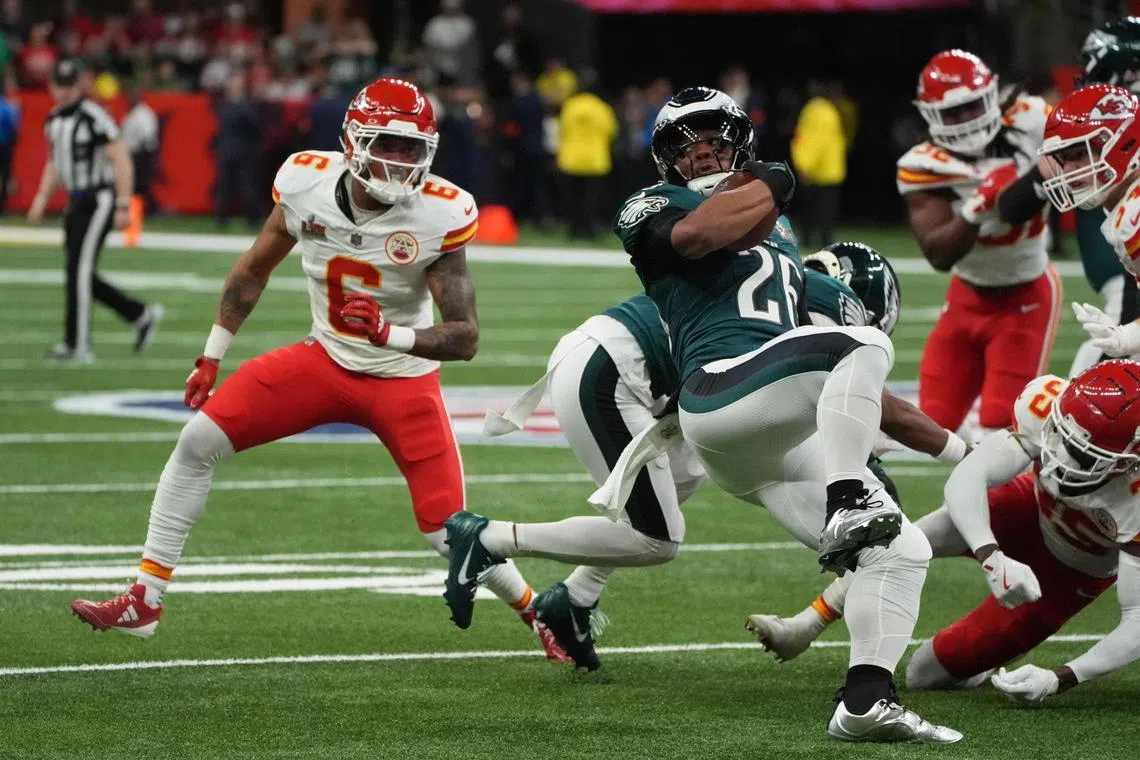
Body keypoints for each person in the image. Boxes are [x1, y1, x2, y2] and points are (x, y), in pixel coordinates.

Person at [444, 86, 961, 743]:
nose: (704, 147)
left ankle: (865, 702)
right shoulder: (655, 205)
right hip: (714, 394)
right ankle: (846, 494)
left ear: (741, 138)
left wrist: (963, 450)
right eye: (687, 141)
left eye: (717, 134)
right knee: (862, 349)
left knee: (902, 545)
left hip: (768, 423)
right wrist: (774, 182)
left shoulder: (782, 232)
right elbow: (698, 235)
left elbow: (812, 305)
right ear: (666, 160)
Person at [69, 77, 567, 662]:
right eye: (387, 144)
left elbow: (465, 338)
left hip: (402, 380)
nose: (400, 161)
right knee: (196, 442)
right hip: (324, 361)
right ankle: (145, 600)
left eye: (413, 150)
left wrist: (390, 333)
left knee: (445, 532)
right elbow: (253, 270)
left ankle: (537, 611)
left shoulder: (441, 211)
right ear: (354, 141)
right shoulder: (305, 182)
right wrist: (212, 353)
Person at [455, 239, 927, 674]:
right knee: (657, 538)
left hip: (620, 368)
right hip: (616, 373)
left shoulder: (773, 283)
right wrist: (952, 449)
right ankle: (493, 538)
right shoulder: (819, 299)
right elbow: (873, 406)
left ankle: (575, 598)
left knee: (686, 472)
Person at [747, 361, 1140, 706]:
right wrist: (992, 556)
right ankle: (806, 624)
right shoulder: (1049, 404)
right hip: (1024, 508)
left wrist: (1060, 678)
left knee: (925, 675)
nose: (1060, 458)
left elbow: (1137, 618)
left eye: (1085, 455)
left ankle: (986, 664)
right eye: (1060, 436)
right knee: (902, 544)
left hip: (1069, 576)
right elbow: (968, 477)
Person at [899, 50, 1060, 442]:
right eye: (952, 114)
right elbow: (939, 253)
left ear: (991, 96)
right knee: (930, 423)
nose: (966, 121)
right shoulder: (923, 164)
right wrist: (976, 209)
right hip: (967, 297)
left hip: (1026, 295)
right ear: (931, 116)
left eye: (972, 107)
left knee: (1002, 430)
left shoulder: (1034, 120)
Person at [993, 18, 1140, 376]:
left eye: (1077, 155)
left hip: (1125, 291)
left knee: (1074, 403)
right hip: (1123, 285)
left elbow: (1009, 207)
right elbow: (1010, 206)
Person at [27, 58, 163, 362]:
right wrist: (41, 198)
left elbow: (121, 158)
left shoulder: (93, 117)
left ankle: (77, 345)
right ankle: (140, 314)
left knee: (79, 271)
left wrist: (123, 203)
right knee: (79, 273)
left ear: (79, 85)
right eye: (58, 85)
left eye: (68, 85)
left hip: (98, 198)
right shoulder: (54, 120)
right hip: (75, 201)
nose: (63, 92)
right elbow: (54, 163)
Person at [1036, 84, 1140, 363]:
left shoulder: (1134, 216)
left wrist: (1128, 337)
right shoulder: (1126, 208)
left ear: (1124, 144)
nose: (1068, 171)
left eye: (1078, 154)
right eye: (1063, 158)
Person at [790, 79, 845, 248]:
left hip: (816, 171)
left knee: (811, 211)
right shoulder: (829, 111)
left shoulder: (814, 111)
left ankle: (810, 241)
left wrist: (804, 165)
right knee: (826, 212)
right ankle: (824, 242)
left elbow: (811, 140)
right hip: (829, 170)